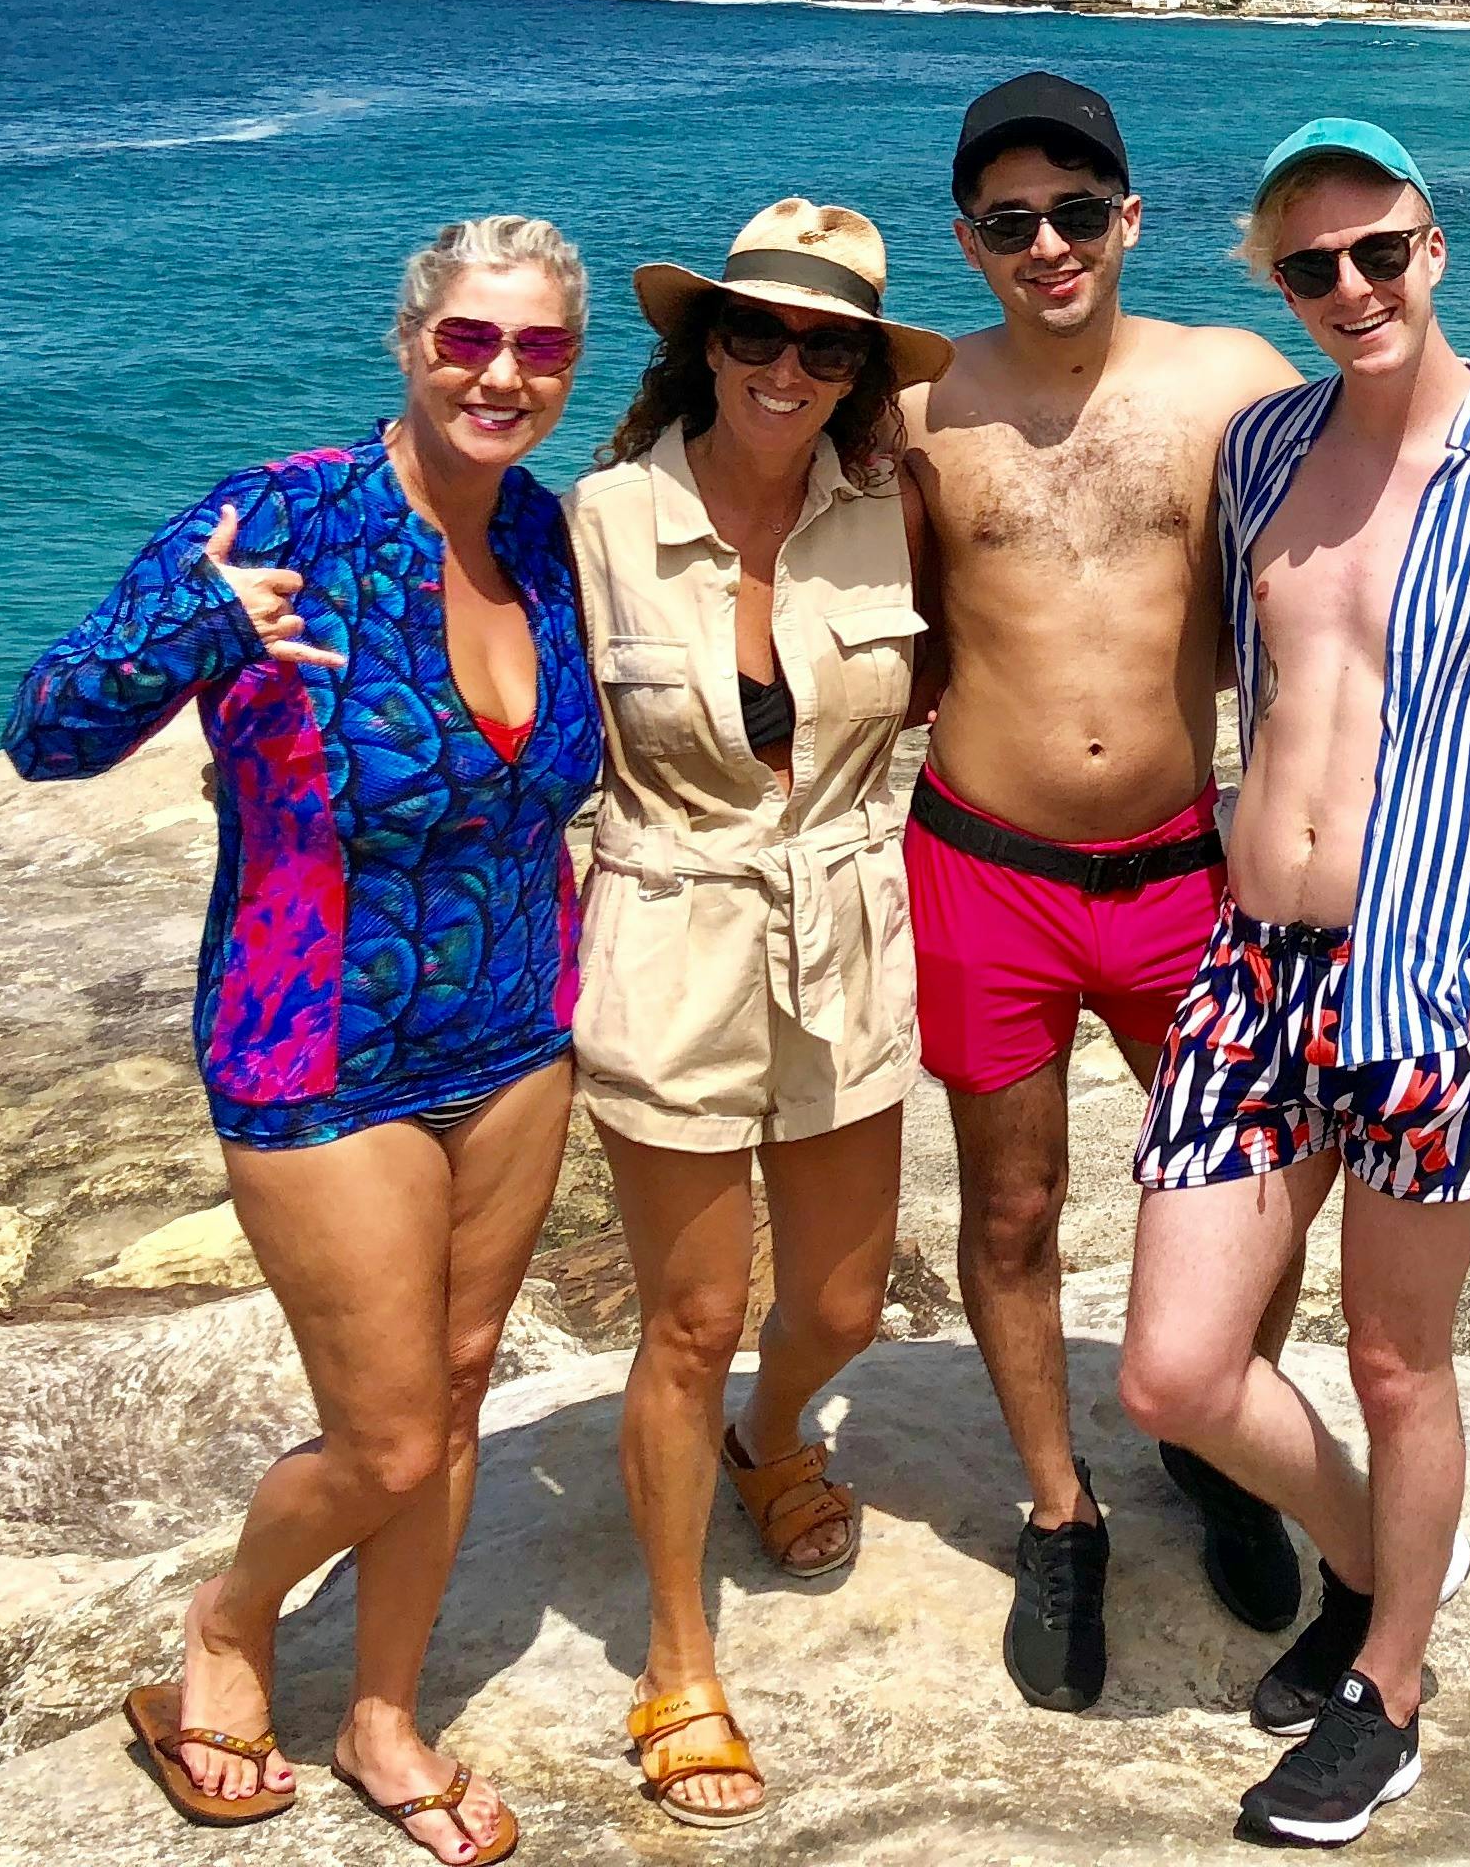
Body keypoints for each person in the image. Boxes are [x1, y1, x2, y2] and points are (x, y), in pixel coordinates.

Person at [894, 71, 1470, 1713]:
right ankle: (1061, 1513)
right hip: (985, 859)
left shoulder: (1237, 387)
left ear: (1130, 222)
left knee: (1245, 1212)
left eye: (1079, 213)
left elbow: (1398, 420)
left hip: (1178, 872)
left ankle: (1235, 1452)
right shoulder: (921, 406)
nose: (1050, 244)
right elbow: (780, 485)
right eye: (1012, 223)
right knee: (1007, 1208)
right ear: (972, 242)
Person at [6, 216, 603, 1867]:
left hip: (514, 1030)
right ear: (409, 341)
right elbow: (47, 733)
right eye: (468, 339)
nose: (499, 374)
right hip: (313, 1039)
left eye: (539, 348)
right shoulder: (273, 516)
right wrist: (190, 632)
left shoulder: (543, 538)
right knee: (390, 1429)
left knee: (466, 1391)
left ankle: (383, 1714)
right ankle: (224, 1623)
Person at [1116, 118, 1470, 1848]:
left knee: (1399, 1361)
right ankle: (1387, 1550)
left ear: (1435, 245)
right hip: (1252, 967)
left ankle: (1389, 1686)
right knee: (1175, 1372)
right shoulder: (1262, 447)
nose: (1350, 289)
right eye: (1309, 267)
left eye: (1377, 252)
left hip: (1428, 972)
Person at [567, 200, 952, 1831]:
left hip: (851, 937)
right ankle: (676, 1659)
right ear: (699, 344)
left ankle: (772, 1436)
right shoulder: (592, 518)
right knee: (690, 1322)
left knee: (849, 1304)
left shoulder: (895, 511)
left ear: (861, 369)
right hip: (669, 940)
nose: (786, 365)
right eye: (755, 332)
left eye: (827, 344)